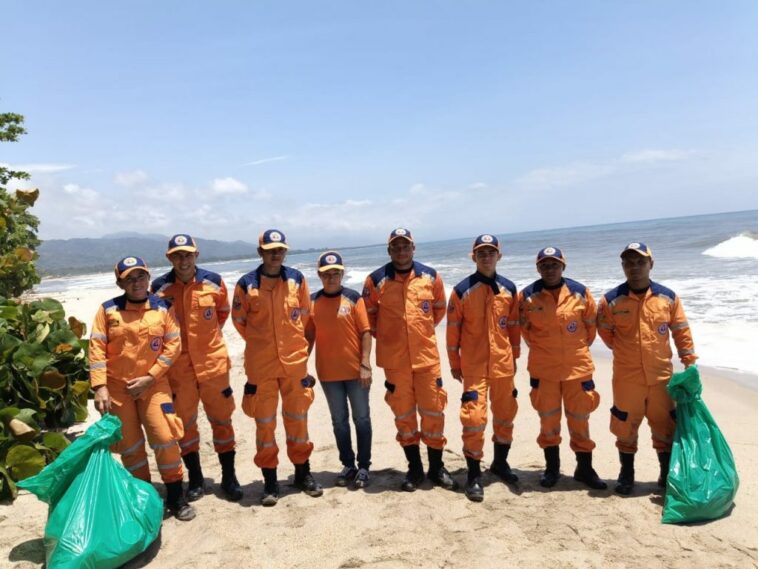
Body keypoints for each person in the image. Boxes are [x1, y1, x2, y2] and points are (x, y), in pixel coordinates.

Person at [89, 256, 195, 521]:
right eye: (129, 279)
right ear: (120, 283)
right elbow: (96, 348)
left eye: (141, 277)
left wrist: (151, 376)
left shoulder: (162, 308)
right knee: (130, 446)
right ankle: (144, 497)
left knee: (165, 437)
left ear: (148, 278)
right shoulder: (107, 311)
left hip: (154, 386)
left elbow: (173, 346)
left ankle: (175, 496)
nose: (136, 283)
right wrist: (99, 386)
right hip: (118, 389)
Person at [597, 242, 697, 495]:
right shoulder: (610, 300)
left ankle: (665, 474)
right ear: (622, 266)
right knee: (625, 425)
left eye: (640, 262)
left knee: (664, 425)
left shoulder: (668, 297)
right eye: (629, 262)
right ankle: (626, 474)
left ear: (651, 264)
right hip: (627, 377)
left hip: (661, 375)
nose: (634, 267)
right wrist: (628, 353)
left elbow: (681, 332)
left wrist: (689, 362)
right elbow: (606, 334)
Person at [231, 229, 322, 506]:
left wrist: (297, 352)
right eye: (270, 250)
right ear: (260, 252)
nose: (276, 254)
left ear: (285, 251)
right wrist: (264, 346)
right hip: (261, 367)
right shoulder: (246, 284)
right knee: (265, 425)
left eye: (280, 249)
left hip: (294, 365)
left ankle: (302, 474)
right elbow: (240, 321)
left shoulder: (297, 280)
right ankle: (270, 482)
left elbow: (305, 318)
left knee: (298, 421)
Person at [362, 228, 456, 492]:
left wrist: (417, 335)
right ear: (389, 250)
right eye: (396, 247)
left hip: (427, 359)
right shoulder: (375, 281)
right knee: (404, 416)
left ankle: (437, 468)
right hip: (395, 362)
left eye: (406, 246)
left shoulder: (431, 277)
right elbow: (368, 318)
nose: (401, 251)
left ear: (413, 248)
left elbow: (437, 312)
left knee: (434, 413)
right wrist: (393, 338)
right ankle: (415, 469)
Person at [150, 234, 242, 503]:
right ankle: (197, 479)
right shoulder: (159, 288)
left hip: (213, 365)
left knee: (222, 420)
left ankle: (229, 477)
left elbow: (222, 313)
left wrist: (206, 342)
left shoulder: (214, 282)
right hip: (179, 370)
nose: (183, 260)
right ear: (170, 258)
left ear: (196, 255)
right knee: (186, 425)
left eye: (188, 254)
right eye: (177, 255)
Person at [518, 247, 606, 491]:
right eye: (544, 265)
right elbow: (526, 331)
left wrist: (570, 351)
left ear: (563, 266)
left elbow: (590, 329)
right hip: (544, 370)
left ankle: (584, 469)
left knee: (580, 421)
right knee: (548, 421)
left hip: (577, 369)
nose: (550, 269)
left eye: (554, 264)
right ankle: (552, 469)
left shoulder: (580, 293)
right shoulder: (527, 296)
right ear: (538, 268)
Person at [446, 234, 520, 502]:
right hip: (474, 367)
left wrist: (514, 358)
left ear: (499, 256)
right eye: (481, 253)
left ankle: (500, 464)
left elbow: (513, 328)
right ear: (473, 257)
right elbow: (452, 331)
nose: (486, 257)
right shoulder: (462, 290)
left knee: (505, 416)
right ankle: (474, 474)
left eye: (491, 252)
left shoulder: (510, 289)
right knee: (474, 419)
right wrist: (455, 364)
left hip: (503, 367)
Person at [305, 251, 373, 488]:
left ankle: (364, 466)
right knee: (339, 421)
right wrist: (300, 367)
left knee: (362, 419)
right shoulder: (312, 302)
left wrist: (365, 364)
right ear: (319, 275)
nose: (331, 278)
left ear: (342, 273)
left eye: (335, 273)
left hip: (356, 373)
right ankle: (348, 464)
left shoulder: (354, 298)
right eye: (326, 274)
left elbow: (366, 332)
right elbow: (308, 337)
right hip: (328, 374)